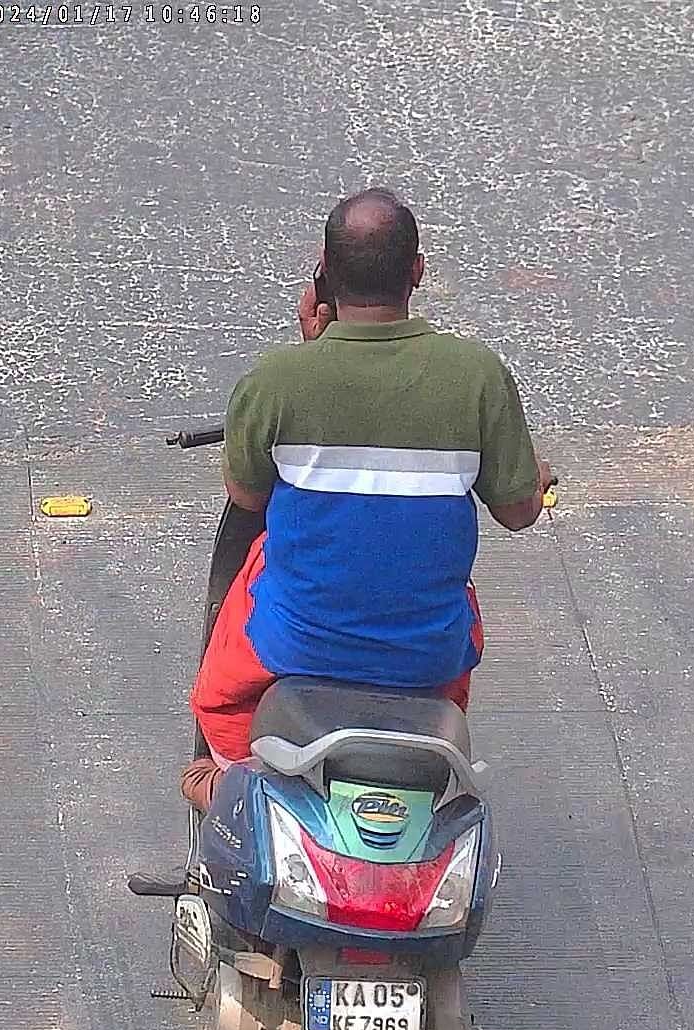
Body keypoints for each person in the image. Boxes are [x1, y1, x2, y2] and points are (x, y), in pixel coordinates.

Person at [180, 188, 552, 811]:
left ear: (322, 273)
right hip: (428, 658)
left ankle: (231, 779)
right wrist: (532, 478)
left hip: (294, 647)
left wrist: (311, 354)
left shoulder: (277, 381)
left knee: (218, 692)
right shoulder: (478, 376)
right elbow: (518, 512)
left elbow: (246, 493)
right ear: (417, 271)